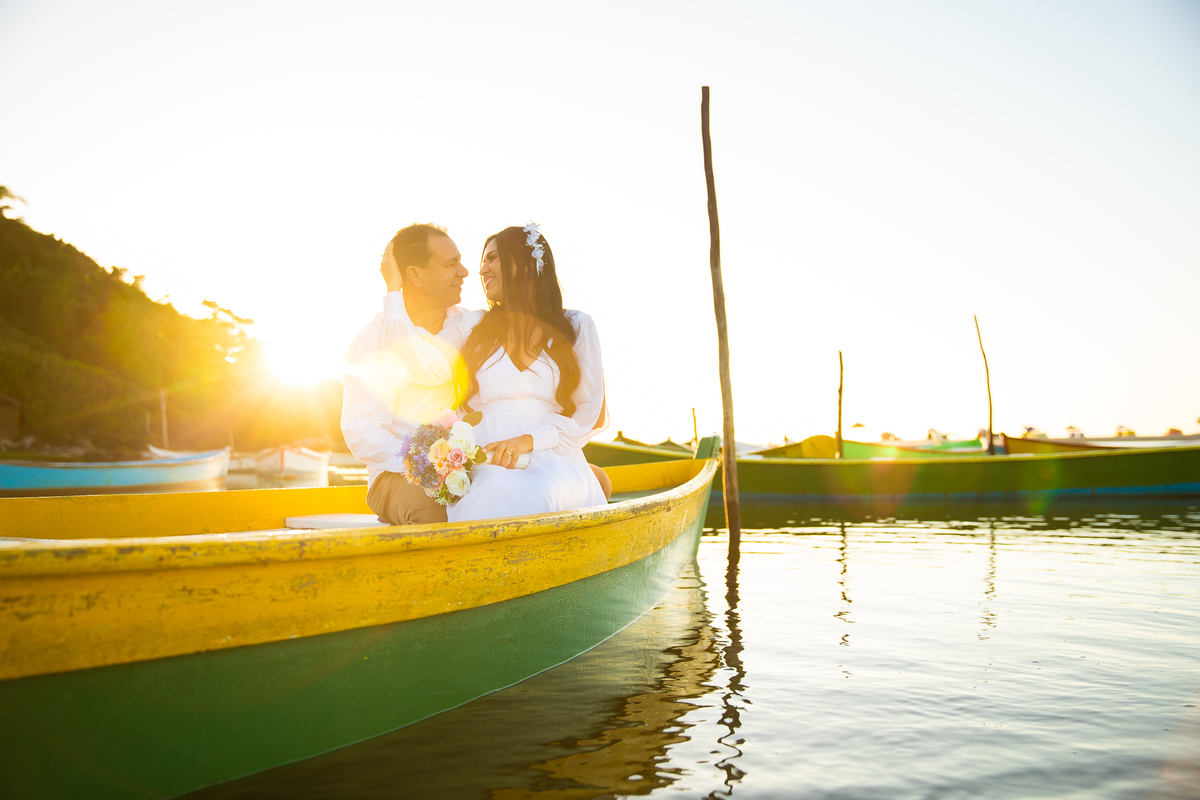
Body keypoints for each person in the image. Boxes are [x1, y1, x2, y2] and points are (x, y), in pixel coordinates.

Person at [441, 224, 610, 522]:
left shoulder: (576, 326)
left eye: (492, 259)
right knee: (492, 487)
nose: (482, 270)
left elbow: (591, 414)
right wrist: (393, 292)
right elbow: (418, 358)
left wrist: (528, 440)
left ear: (526, 265)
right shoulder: (470, 325)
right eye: (484, 261)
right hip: (487, 457)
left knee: (543, 492)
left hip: (553, 457)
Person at [341, 223, 469, 525]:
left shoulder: (470, 328)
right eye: (451, 264)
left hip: (469, 466)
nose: (464, 272)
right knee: (437, 515)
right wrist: (428, 464)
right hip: (397, 475)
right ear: (414, 275)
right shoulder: (373, 341)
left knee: (590, 480)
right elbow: (363, 431)